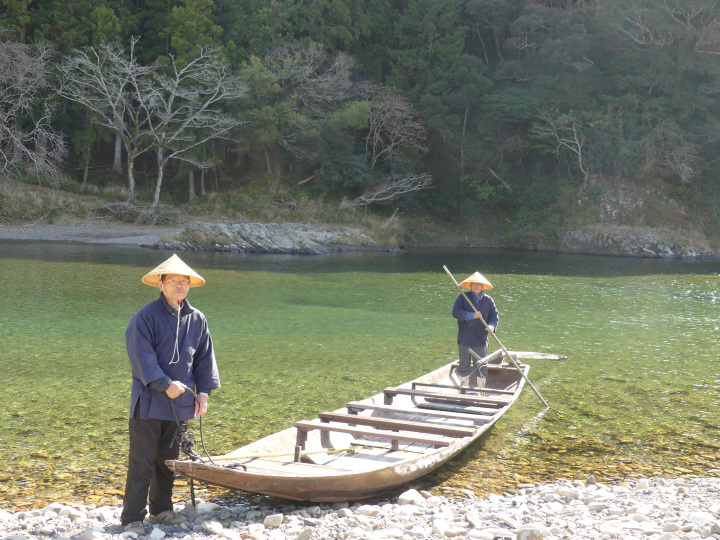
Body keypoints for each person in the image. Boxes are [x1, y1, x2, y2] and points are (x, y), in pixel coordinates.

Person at [121, 254, 221, 535]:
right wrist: (165, 384)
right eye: (173, 280)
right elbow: (140, 357)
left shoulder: (197, 319)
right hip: (149, 403)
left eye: (184, 281)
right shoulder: (144, 317)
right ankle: (132, 518)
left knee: (168, 461)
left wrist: (203, 395)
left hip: (181, 406)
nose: (179, 285)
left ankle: (162, 510)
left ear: (189, 286)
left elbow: (204, 360)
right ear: (161, 285)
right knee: (142, 462)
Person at [451, 271, 499, 386]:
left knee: (481, 366)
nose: (476, 286)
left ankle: (481, 392)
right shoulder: (463, 297)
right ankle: (463, 391)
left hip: (481, 339)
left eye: (479, 284)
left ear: (483, 286)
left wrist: (491, 326)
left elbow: (494, 317)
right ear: (470, 286)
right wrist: (472, 315)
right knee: (464, 365)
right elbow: (456, 312)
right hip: (465, 338)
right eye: (474, 284)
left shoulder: (488, 300)